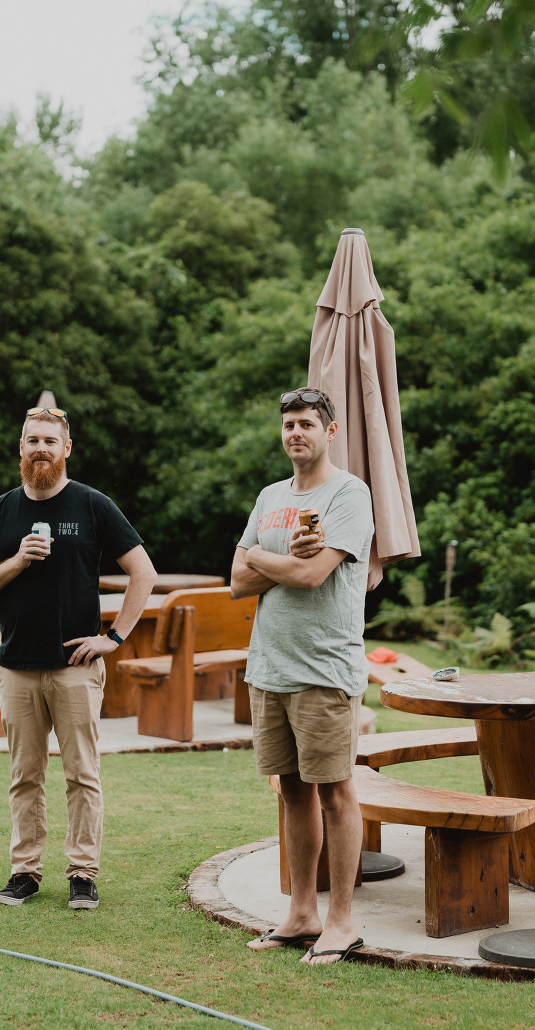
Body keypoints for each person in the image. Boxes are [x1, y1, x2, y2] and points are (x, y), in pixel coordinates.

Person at [0, 406, 156, 911]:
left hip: (75, 668)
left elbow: (144, 572)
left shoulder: (93, 504)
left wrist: (113, 637)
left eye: (50, 441)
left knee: (81, 774)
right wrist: (17, 561)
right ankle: (24, 873)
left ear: (66, 448)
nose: (41, 449)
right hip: (16, 667)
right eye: (33, 441)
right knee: (24, 777)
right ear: (21, 448)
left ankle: (83, 875)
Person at [232, 387, 374, 965]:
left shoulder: (349, 494)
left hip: (324, 669)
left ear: (330, 431)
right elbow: (236, 581)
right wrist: (281, 561)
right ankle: (301, 913)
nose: (296, 433)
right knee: (292, 792)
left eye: (307, 424)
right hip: (270, 668)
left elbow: (313, 575)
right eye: (289, 424)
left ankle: (340, 922)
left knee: (336, 793)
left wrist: (261, 558)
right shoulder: (270, 496)